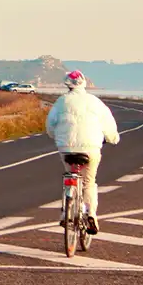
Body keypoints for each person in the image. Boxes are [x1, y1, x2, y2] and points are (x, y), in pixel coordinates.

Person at [45, 69, 120, 234]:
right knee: (88, 183)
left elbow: (50, 126)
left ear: (67, 85)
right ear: (84, 83)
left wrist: (57, 136)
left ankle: (65, 212)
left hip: (66, 148)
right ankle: (91, 214)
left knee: (69, 175)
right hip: (90, 148)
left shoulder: (61, 102)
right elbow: (109, 125)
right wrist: (113, 138)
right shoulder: (95, 102)